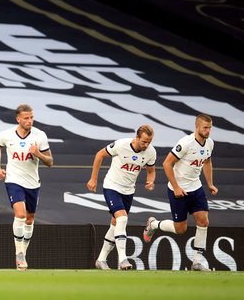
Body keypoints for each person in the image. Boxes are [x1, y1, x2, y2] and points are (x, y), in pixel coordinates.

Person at [143, 114, 218, 271]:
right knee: (180, 229)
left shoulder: (209, 143)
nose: (208, 131)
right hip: (178, 190)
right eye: (205, 127)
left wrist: (210, 184)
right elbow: (167, 163)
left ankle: (197, 262)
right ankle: (153, 224)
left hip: (195, 188)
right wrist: (176, 187)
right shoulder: (186, 143)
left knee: (203, 221)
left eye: (210, 128)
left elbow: (208, 162)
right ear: (197, 127)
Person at [0, 104, 53, 271]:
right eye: (26, 118)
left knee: (29, 219)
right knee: (20, 214)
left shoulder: (40, 136)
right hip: (13, 180)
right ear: (18, 119)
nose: (30, 121)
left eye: (32, 117)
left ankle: (22, 256)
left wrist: (38, 154)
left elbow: (50, 162)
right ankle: (19, 254)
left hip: (33, 183)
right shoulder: (7, 135)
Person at [87, 125, 156, 270]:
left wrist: (151, 181)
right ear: (137, 137)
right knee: (123, 218)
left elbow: (151, 171)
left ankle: (101, 259)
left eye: (149, 142)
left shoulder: (151, 152)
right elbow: (99, 154)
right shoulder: (121, 145)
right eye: (144, 142)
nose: (146, 145)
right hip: (112, 186)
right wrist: (93, 179)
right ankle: (123, 259)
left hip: (128, 191)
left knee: (115, 225)